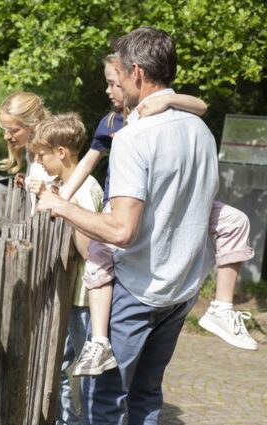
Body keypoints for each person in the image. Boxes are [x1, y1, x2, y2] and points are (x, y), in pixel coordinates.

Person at [36, 27, 219, 425]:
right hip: (181, 290)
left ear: (136, 73)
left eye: (118, 74)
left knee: (102, 402)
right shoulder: (199, 130)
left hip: (138, 290)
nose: (110, 85)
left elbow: (121, 230)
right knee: (144, 398)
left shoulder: (137, 137)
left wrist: (62, 207)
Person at [56, 55, 257, 378]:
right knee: (99, 256)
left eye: (113, 81)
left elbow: (202, 105)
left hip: (175, 203)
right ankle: (99, 340)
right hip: (124, 203)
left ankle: (222, 306)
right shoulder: (111, 123)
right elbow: (88, 163)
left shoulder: (169, 113)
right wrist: (62, 198)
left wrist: (167, 101)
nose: (111, 89)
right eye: (108, 82)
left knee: (236, 221)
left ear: (132, 77)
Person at [27, 113, 104, 425]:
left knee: (82, 372)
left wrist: (65, 209)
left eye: (43, 155)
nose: (38, 161)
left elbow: (89, 248)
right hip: (76, 294)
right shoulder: (70, 187)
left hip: (87, 297)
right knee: (70, 366)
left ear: (62, 151)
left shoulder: (86, 189)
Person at [0, 91, 55, 212]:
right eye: (5, 130)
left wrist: (44, 193)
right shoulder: (30, 155)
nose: (6, 137)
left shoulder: (52, 155)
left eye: (13, 130)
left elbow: (68, 199)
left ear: (34, 123)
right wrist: (27, 181)